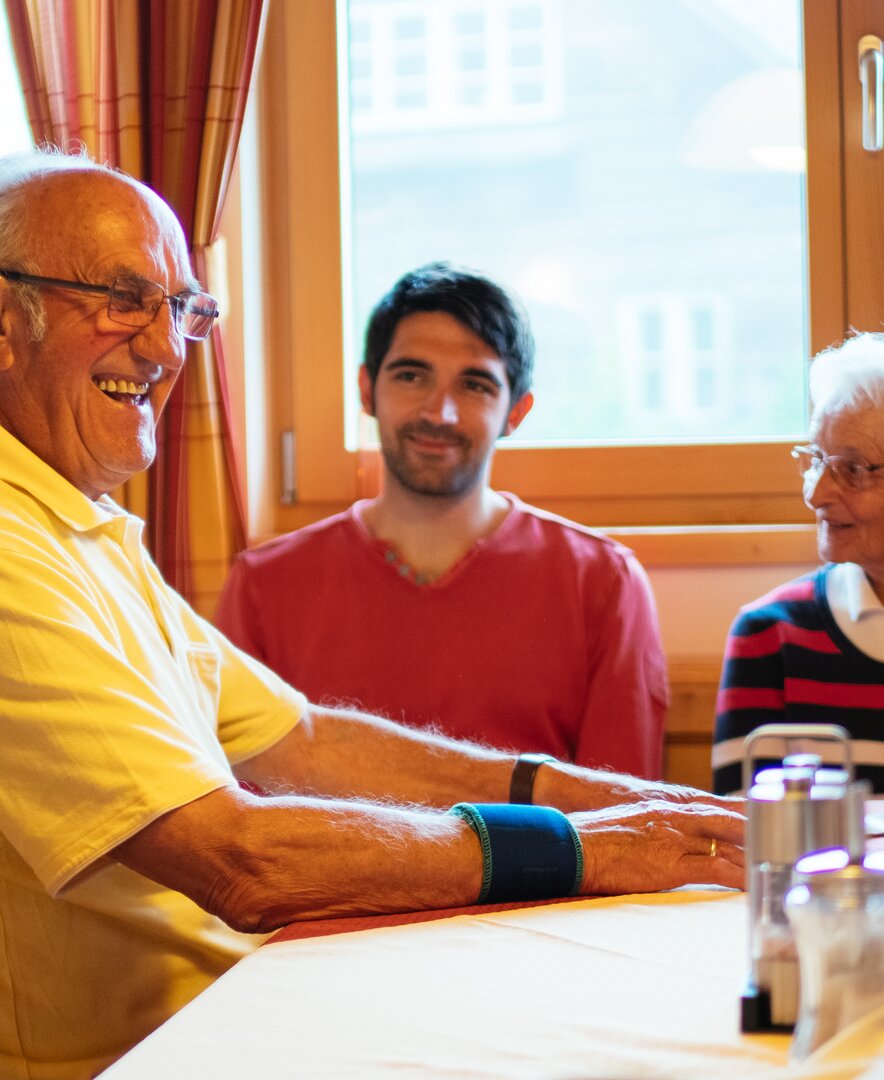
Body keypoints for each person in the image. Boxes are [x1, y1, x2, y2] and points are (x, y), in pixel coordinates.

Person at [0, 147, 742, 1080]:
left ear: (516, 409)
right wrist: (588, 845)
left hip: (258, 997)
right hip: (152, 1053)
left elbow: (304, 739)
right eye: (120, 299)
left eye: (182, 310)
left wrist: (646, 808)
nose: (163, 347)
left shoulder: (81, 525)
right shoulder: (15, 551)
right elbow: (242, 858)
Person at [216, 263, 667, 778]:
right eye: (411, 376)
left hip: (532, 862)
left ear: (516, 412)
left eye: (475, 385)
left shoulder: (602, 583)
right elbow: (238, 807)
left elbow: (622, 816)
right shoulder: (265, 587)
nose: (440, 413)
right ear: (367, 390)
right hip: (323, 859)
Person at [713, 332, 884, 795]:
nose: (815, 493)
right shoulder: (770, 634)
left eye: (852, 469)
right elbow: (742, 839)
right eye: (816, 460)